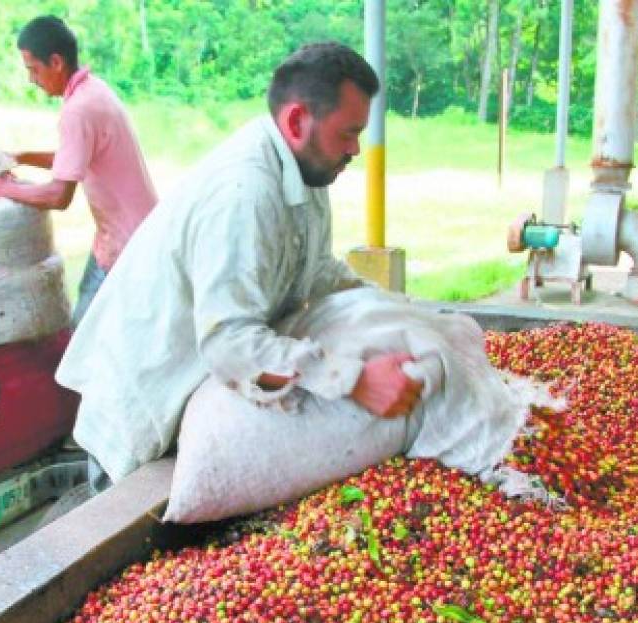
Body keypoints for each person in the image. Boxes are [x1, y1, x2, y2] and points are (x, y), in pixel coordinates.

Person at [55, 42, 423, 485]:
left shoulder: (307, 172)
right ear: (295, 120)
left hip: (193, 395)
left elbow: (315, 270)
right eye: (348, 133)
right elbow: (230, 343)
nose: (356, 149)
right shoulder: (243, 194)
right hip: (146, 403)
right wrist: (354, 380)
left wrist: (394, 309)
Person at [0, 15, 157, 325]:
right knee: (109, 335)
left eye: (34, 70)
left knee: (84, 338)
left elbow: (59, 195)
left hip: (126, 245)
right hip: (136, 234)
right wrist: (20, 157)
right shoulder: (93, 90)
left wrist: (2, 189)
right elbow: (75, 157)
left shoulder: (79, 109)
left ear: (56, 62)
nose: (32, 79)